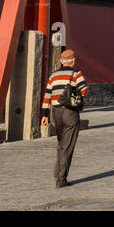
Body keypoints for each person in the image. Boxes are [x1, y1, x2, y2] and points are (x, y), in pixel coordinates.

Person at [41, 48, 88, 188]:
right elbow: (84, 90)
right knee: (67, 145)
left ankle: (58, 173)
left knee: (61, 143)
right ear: (73, 61)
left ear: (61, 61)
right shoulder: (76, 74)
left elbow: (47, 96)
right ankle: (61, 179)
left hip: (55, 113)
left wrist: (44, 115)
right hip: (70, 112)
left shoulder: (53, 76)